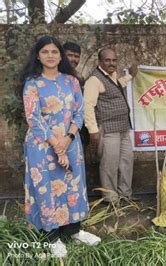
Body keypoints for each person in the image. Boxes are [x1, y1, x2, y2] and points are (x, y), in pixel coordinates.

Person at [21, 36, 100, 258]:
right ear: (38, 55)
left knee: (72, 185)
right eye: (45, 51)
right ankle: (52, 236)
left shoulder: (71, 81)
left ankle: (73, 229)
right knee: (47, 189)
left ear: (60, 55)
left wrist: (68, 138)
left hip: (70, 142)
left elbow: (79, 112)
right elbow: (33, 118)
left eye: (54, 51)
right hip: (42, 145)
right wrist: (56, 144)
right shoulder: (32, 83)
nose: (50, 55)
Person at [83, 48, 138, 202]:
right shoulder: (94, 80)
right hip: (108, 130)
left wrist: (130, 76)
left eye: (114, 60)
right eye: (107, 60)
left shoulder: (111, 76)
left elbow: (116, 86)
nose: (111, 63)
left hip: (123, 129)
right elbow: (88, 105)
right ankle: (111, 199)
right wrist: (93, 130)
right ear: (100, 62)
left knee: (127, 162)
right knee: (109, 166)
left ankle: (125, 194)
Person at [63, 41, 89, 146]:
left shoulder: (78, 78)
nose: (73, 59)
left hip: (76, 127)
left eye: (76, 56)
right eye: (69, 55)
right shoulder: (54, 75)